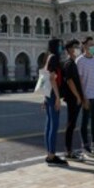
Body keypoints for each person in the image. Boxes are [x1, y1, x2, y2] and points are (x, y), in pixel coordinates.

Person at [76, 36, 94, 155]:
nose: (93, 47)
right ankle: (85, 145)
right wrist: (84, 97)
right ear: (84, 46)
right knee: (84, 122)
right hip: (87, 96)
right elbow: (80, 80)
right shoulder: (79, 60)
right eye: (90, 45)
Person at [41, 38, 68, 166]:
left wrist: (44, 97)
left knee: (49, 124)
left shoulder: (47, 57)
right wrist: (57, 97)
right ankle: (52, 155)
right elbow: (52, 79)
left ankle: (49, 153)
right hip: (52, 95)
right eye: (60, 45)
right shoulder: (54, 58)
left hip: (48, 95)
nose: (61, 48)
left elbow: (44, 78)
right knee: (54, 125)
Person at [61, 39, 84, 161]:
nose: (77, 49)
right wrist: (78, 96)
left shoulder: (73, 62)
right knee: (71, 124)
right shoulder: (69, 63)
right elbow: (69, 81)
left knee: (72, 123)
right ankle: (68, 151)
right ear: (70, 50)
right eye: (75, 47)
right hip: (73, 98)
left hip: (75, 98)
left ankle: (69, 150)